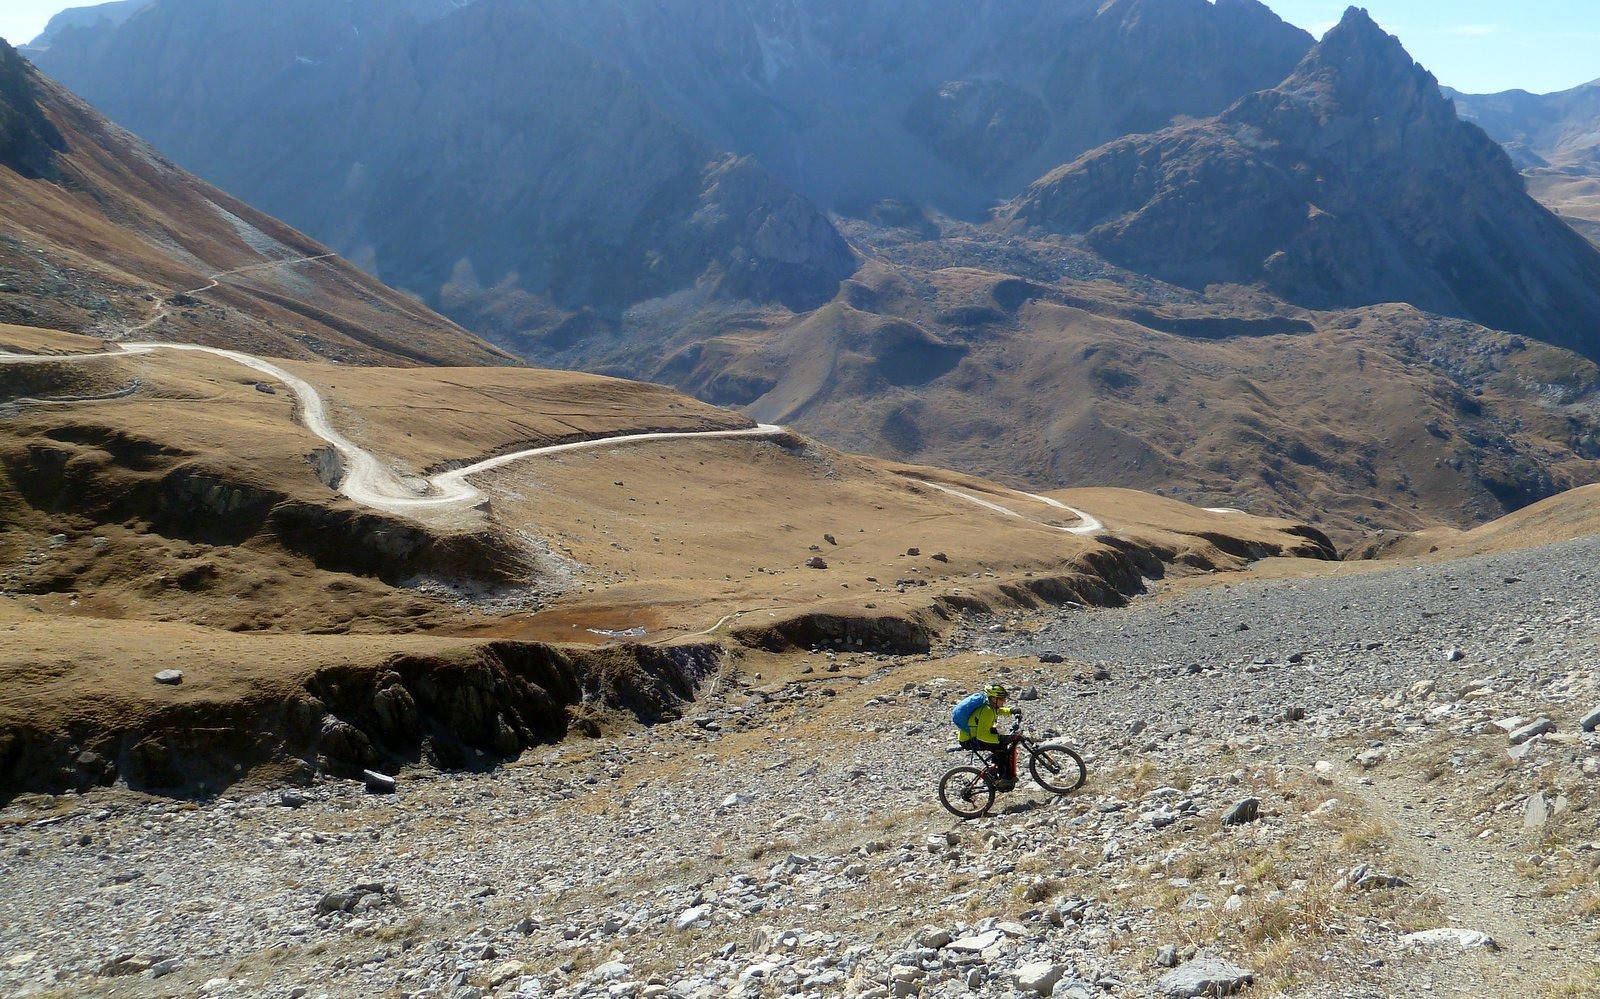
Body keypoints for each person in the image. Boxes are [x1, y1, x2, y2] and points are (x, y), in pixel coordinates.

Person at [951, 682, 1021, 790]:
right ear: (993, 699)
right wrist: (1000, 738)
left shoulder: (990, 706)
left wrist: (1011, 711)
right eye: (1001, 699)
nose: (1004, 701)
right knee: (1001, 746)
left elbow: (998, 711)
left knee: (1001, 745)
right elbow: (982, 736)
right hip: (970, 740)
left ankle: (996, 771)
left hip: (973, 736)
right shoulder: (987, 711)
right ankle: (1003, 779)